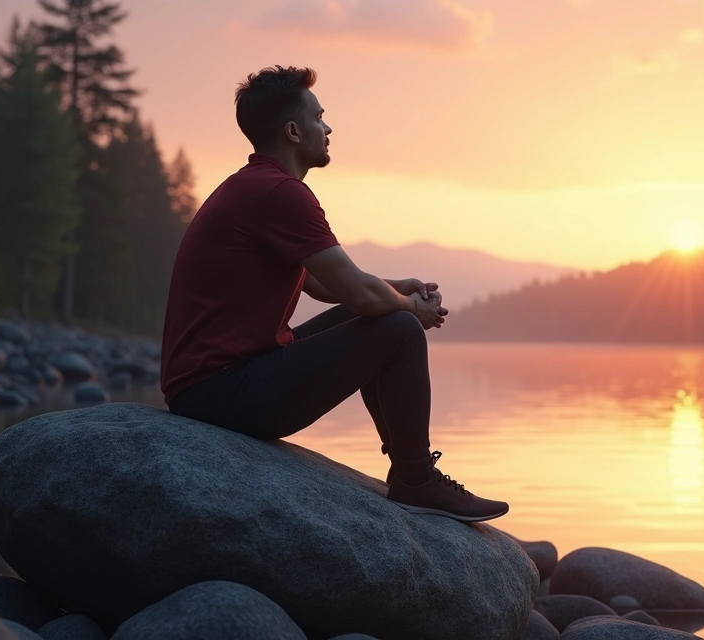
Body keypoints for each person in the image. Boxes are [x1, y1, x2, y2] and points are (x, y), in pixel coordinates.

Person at [160, 65, 509, 522]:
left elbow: (326, 284)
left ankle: (410, 473)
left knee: (377, 317)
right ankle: (415, 477)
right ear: (293, 130)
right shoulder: (280, 194)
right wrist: (409, 307)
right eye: (319, 117)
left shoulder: (254, 188)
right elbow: (363, 298)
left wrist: (394, 288)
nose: (327, 127)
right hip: (221, 392)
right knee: (399, 329)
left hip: (210, 386)